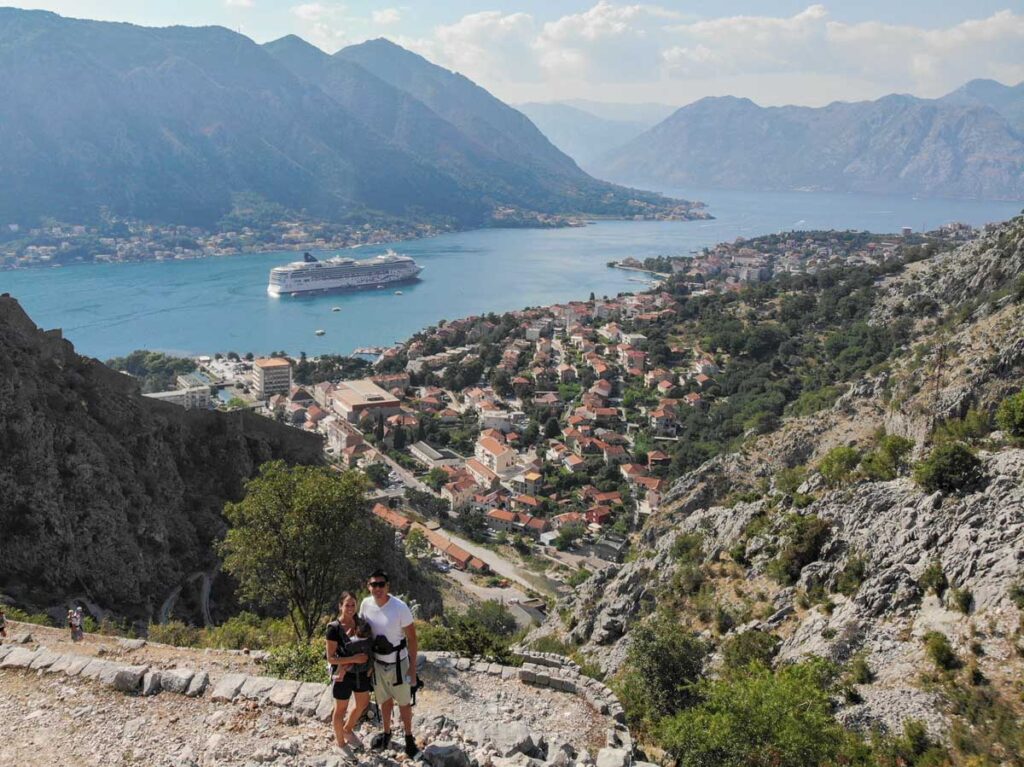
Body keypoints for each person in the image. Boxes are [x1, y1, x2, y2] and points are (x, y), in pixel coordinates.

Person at [359, 569, 419, 758]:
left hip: (398, 663)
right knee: (384, 701)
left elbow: (412, 638)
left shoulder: (400, 607)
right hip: (377, 663)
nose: (377, 588)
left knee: (404, 703)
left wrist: (413, 666)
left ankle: (409, 738)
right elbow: (362, 631)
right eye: (373, 584)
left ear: (388, 586)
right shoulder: (366, 604)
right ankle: (387, 732)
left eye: (381, 584)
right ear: (368, 587)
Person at [326, 592, 373, 750]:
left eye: (353, 604)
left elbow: (369, 646)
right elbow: (331, 658)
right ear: (340, 606)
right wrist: (354, 659)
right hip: (343, 675)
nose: (351, 608)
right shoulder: (333, 628)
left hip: (361, 673)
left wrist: (370, 666)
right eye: (347, 605)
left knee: (362, 703)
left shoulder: (362, 624)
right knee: (340, 709)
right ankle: (340, 743)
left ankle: (347, 729)